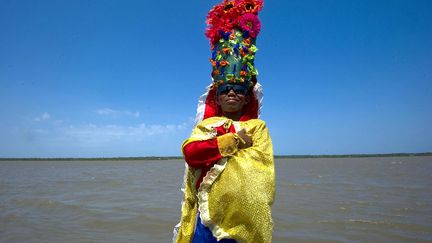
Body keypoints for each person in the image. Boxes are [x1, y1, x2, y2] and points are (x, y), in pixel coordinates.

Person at [173, 1, 274, 242]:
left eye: (239, 89)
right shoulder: (206, 126)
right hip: (207, 219)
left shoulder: (258, 128)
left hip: (243, 221)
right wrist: (234, 141)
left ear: (247, 97)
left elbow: (260, 172)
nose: (232, 93)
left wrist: (218, 149)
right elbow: (191, 153)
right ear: (217, 97)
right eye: (226, 89)